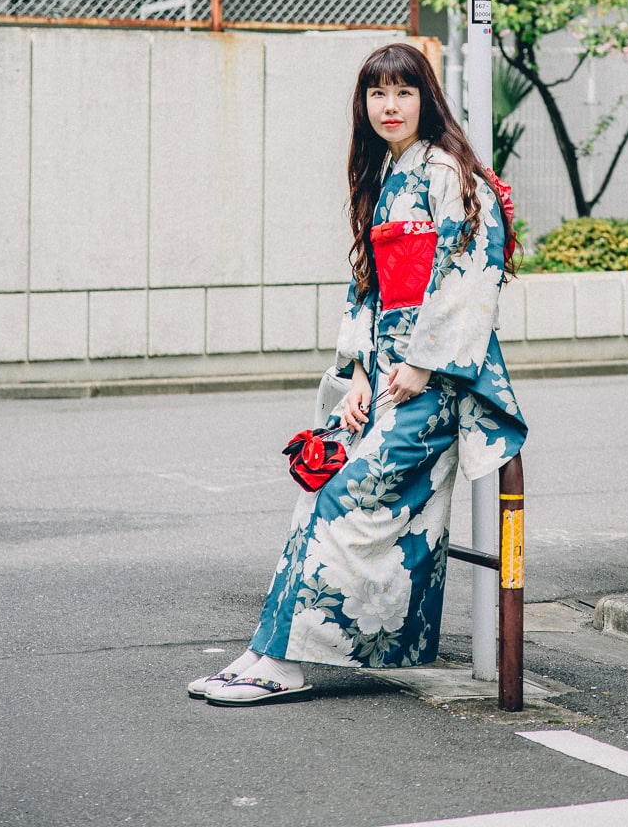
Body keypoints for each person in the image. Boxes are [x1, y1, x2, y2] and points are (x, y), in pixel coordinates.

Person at [188, 41, 527, 705]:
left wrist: (422, 364)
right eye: (377, 94)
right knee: (318, 497)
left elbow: (469, 277)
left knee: (347, 498)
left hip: (434, 385)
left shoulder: (450, 173)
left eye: (403, 92)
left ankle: (282, 661)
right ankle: (266, 649)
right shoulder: (388, 174)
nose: (389, 105)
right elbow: (369, 287)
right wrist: (361, 375)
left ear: (426, 99)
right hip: (388, 379)